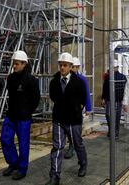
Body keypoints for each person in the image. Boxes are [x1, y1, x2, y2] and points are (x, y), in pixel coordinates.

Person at [45, 53, 87, 185]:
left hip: (73, 119)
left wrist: (75, 109)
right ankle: (55, 176)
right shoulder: (54, 82)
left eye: (65, 65)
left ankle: (83, 163)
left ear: (70, 66)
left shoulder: (78, 82)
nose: (62, 67)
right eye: (60, 65)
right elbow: (53, 97)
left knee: (77, 144)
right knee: (57, 147)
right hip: (58, 118)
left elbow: (83, 99)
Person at [1, 50, 40, 180]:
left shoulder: (31, 80)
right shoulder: (11, 78)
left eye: (17, 63)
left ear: (24, 64)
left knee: (23, 144)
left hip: (23, 118)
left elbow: (36, 99)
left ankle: (22, 168)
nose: (14, 66)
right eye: (14, 63)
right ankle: (14, 163)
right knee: (5, 139)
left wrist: (27, 111)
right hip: (11, 115)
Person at [63, 57, 92, 159]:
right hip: (67, 110)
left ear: (78, 67)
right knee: (68, 129)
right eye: (72, 67)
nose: (73, 69)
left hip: (78, 109)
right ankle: (72, 145)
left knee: (76, 130)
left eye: (75, 67)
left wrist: (88, 108)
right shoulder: (66, 78)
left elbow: (86, 94)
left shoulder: (82, 79)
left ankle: (75, 147)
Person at [101, 61, 127, 139]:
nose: (113, 68)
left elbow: (125, 90)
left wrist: (124, 100)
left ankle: (115, 132)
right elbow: (105, 88)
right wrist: (103, 98)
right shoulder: (108, 77)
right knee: (109, 115)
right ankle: (112, 130)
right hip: (110, 100)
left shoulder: (122, 77)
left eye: (114, 67)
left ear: (117, 67)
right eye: (112, 67)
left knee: (116, 116)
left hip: (117, 100)